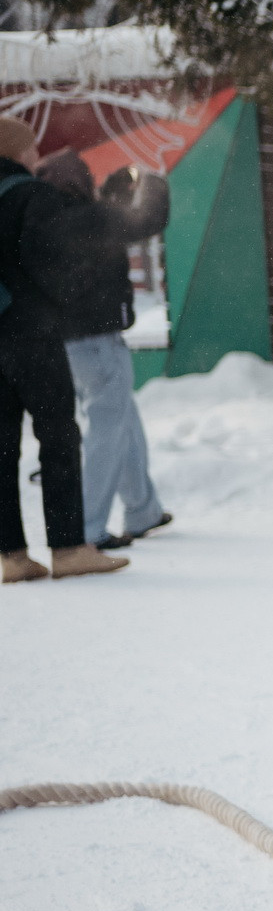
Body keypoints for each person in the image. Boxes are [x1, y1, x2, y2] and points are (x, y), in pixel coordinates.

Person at [0, 119, 127, 582]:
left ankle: (10, 555)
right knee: (57, 435)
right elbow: (56, 263)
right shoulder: (32, 197)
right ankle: (68, 547)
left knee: (2, 446)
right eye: (32, 148)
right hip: (31, 333)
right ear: (18, 152)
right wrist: (66, 300)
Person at [39, 151, 174, 550]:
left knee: (121, 421)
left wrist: (116, 190)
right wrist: (148, 178)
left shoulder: (45, 222)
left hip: (63, 342)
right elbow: (148, 218)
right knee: (108, 430)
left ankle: (142, 509)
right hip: (97, 341)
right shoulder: (91, 219)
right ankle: (88, 528)